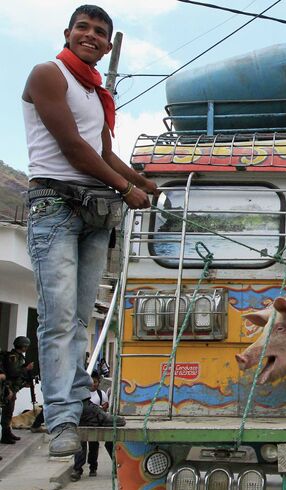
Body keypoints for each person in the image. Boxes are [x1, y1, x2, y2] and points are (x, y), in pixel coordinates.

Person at [22, 5, 157, 456]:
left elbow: (103, 152)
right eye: (84, 27)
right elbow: (73, 148)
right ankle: (61, 418)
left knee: (80, 318)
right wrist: (125, 186)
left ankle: (80, 401)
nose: (92, 36)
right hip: (56, 205)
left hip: (94, 212)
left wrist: (141, 181)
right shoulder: (49, 74)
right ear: (68, 33)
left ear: (108, 43)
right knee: (57, 317)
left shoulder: (96, 93)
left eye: (101, 32)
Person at [71, 371, 113, 481]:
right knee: (80, 447)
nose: (93, 384)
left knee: (94, 447)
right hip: (82, 423)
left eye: (95, 382)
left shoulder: (101, 394)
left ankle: (93, 467)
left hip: (95, 424)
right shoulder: (81, 394)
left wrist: (101, 409)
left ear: (99, 382)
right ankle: (78, 469)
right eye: (92, 381)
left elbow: (105, 408)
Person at [1, 337, 35, 444]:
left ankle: (7, 433)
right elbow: (13, 373)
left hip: (13, 388)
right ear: (23, 346)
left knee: (9, 412)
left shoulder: (19, 357)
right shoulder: (13, 357)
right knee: (7, 412)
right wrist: (27, 369)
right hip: (8, 389)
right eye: (26, 346)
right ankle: (5, 435)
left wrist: (24, 383)